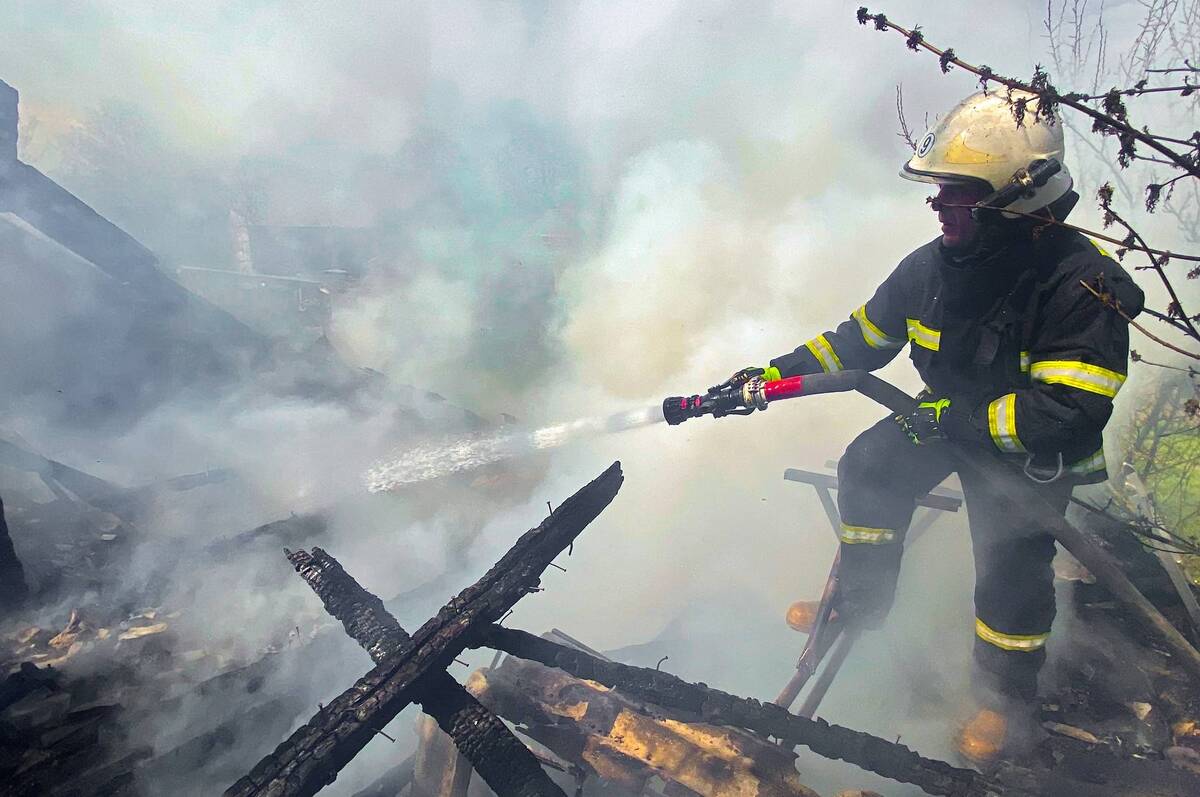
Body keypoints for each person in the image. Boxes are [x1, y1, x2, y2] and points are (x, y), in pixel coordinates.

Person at [741, 89, 1143, 761]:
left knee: (1010, 570)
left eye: (957, 196)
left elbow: (1068, 412)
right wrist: (768, 378)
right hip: (947, 419)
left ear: (1014, 203)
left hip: (1030, 452)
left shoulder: (1082, 286)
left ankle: (1003, 701)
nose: (938, 209)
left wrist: (958, 418)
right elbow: (857, 342)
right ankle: (861, 608)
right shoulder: (931, 270)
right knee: (868, 465)